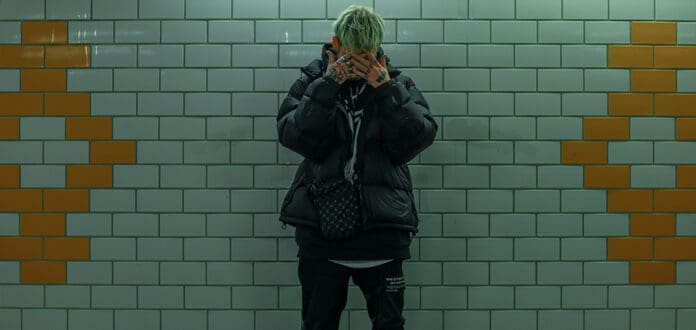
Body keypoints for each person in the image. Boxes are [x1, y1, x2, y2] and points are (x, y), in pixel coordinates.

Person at [276, 5, 438, 330]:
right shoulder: (312, 81)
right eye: (351, 53)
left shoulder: (397, 83)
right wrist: (327, 84)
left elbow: (416, 140)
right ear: (335, 44)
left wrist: (387, 90)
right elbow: (295, 136)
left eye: (365, 53)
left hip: (382, 235)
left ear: (377, 47)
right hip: (323, 236)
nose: (357, 62)